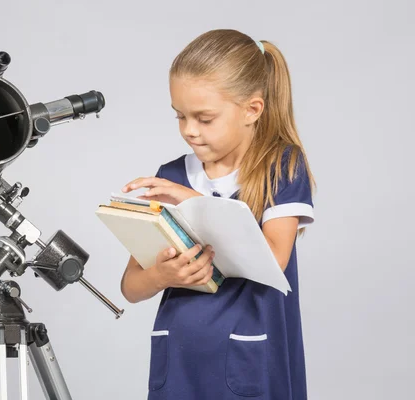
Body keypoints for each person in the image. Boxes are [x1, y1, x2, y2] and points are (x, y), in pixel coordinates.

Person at [119, 29, 316, 400]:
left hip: (249, 361)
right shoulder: (171, 174)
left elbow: (273, 259)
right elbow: (131, 286)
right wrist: (162, 274)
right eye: (180, 116)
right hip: (178, 362)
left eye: (204, 118)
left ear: (251, 110)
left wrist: (192, 201)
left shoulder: (282, 168)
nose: (189, 131)